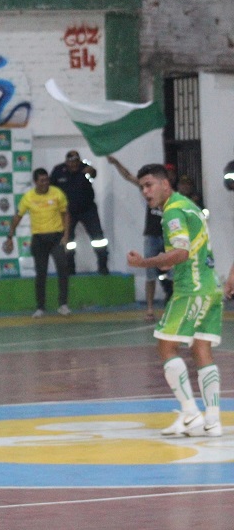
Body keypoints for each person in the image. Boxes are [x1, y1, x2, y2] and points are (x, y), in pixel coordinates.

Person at [127, 164, 222, 437]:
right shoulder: (188, 205)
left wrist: (145, 262)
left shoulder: (172, 211)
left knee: (166, 346)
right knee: (202, 350)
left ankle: (190, 413)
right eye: (142, 187)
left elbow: (181, 253)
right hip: (210, 286)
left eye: (149, 185)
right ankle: (213, 421)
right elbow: (187, 250)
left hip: (191, 288)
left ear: (165, 184)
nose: (145, 192)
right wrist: (166, 261)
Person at [107, 155, 174, 320]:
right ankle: (150, 308)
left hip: (170, 237)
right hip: (152, 235)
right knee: (150, 274)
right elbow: (129, 177)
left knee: (174, 274)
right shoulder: (151, 190)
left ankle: (174, 308)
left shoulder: (176, 196)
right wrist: (116, 163)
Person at [4, 168, 70, 318]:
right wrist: (10, 235)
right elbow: (18, 216)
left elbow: (66, 214)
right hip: (39, 239)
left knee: (62, 268)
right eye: (42, 180)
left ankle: (63, 305)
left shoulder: (57, 193)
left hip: (56, 237)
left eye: (47, 180)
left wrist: (66, 235)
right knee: (41, 273)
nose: (45, 183)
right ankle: (40, 307)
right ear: (35, 182)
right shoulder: (28, 197)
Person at [50, 150, 109, 275]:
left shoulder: (85, 168)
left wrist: (91, 171)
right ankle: (70, 268)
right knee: (68, 241)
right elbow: (51, 189)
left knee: (98, 239)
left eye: (76, 162)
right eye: (71, 162)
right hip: (68, 212)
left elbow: (94, 173)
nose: (74, 165)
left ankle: (103, 266)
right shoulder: (58, 171)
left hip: (88, 210)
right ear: (66, 162)